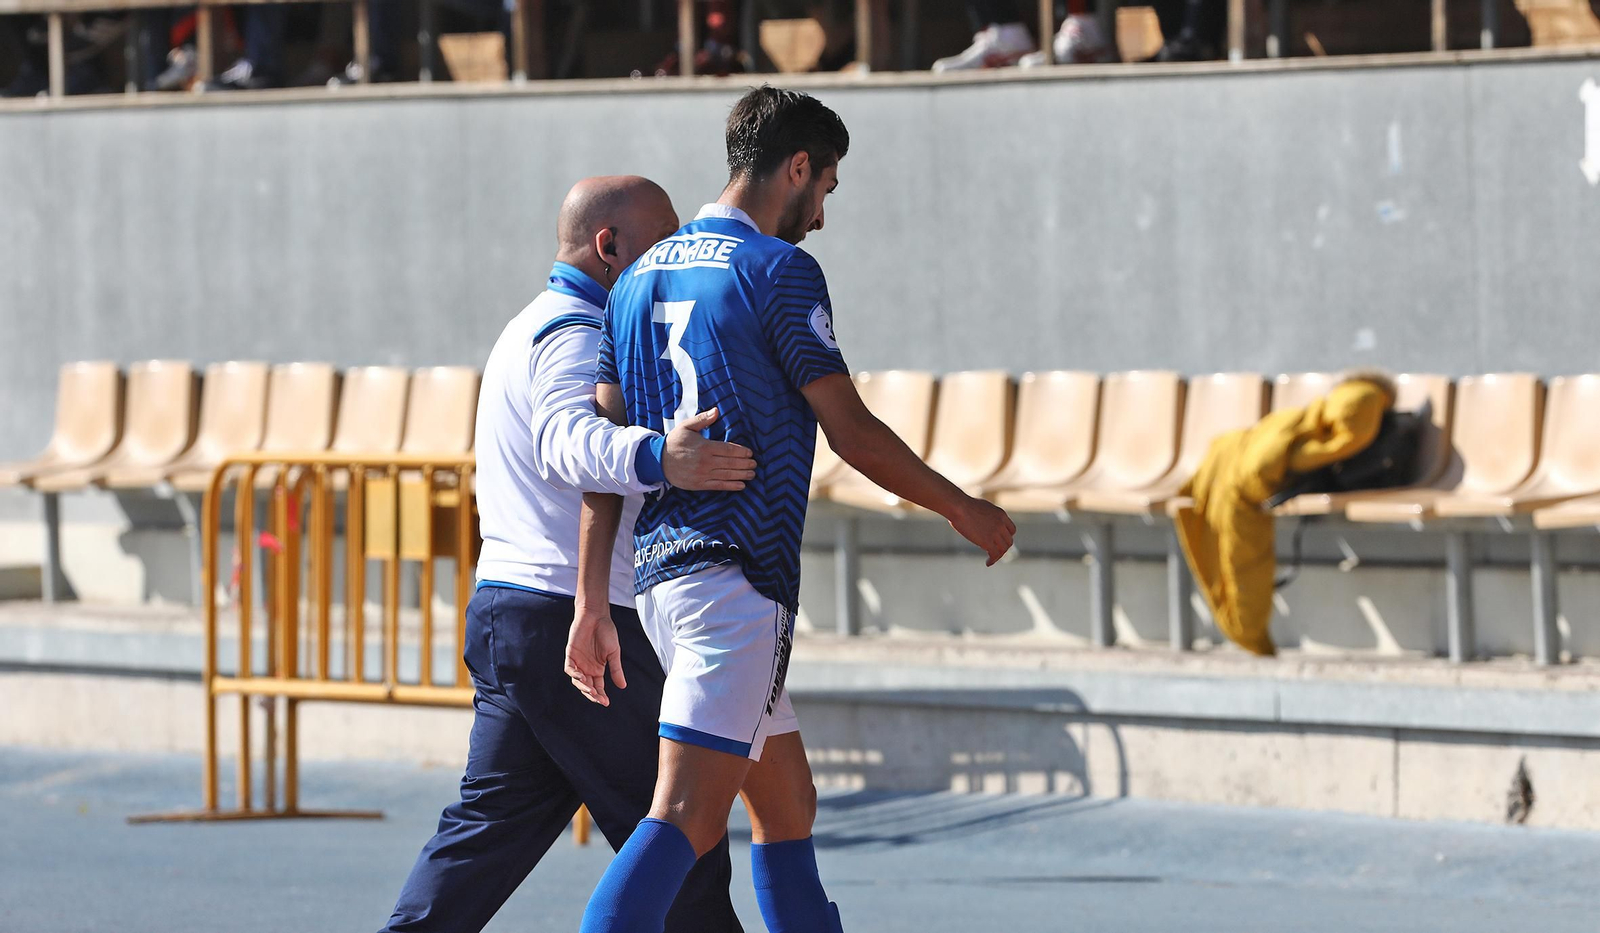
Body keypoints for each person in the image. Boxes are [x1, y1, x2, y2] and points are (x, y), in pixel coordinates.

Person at [566, 86, 1016, 933]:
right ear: (798, 167)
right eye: (828, 187)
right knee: (685, 818)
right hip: (736, 583)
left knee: (788, 805)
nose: (823, 214)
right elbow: (851, 430)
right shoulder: (778, 270)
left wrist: (596, 593)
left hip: (667, 577)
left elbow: (607, 453)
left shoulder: (629, 284)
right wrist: (964, 509)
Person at [376, 175, 752, 933]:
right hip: (570, 621)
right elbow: (567, 444)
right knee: (685, 841)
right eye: (662, 240)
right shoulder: (578, 334)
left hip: (518, 614)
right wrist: (660, 458)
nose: (674, 259)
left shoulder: (531, 324)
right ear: (609, 246)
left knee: (485, 837)